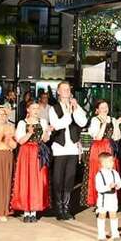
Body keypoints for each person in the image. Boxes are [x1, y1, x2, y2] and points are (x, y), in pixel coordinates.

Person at [48, 81, 88, 220]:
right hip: (60, 148)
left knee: (70, 179)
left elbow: (83, 122)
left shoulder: (76, 106)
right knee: (58, 179)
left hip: (72, 148)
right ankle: (59, 209)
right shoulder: (53, 108)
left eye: (68, 89)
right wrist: (68, 113)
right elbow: (58, 125)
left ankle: (66, 208)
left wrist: (75, 109)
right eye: (63, 89)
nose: (66, 91)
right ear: (58, 92)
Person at [11, 102, 51, 223]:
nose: (36, 110)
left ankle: (34, 211)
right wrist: (29, 132)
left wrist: (47, 131)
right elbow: (20, 141)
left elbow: (45, 139)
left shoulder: (42, 122)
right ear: (28, 109)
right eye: (33, 108)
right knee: (25, 180)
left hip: (38, 152)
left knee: (37, 180)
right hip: (26, 153)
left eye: (37, 108)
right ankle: (26, 211)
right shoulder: (22, 123)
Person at [81, 99, 121, 207]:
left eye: (106, 107)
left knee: (111, 172)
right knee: (98, 172)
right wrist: (104, 124)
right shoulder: (95, 120)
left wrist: (116, 125)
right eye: (102, 107)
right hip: (98, 148)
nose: (105, 109)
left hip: (110, 147)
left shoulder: (112, 119)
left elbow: (116, 137)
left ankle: (111, 200)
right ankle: (97, 200)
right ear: (97, 110)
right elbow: (98, 137)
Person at [95, 152, 121, 241]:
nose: (112, 162)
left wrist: (117, 185)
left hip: (113, 198)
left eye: (112, 161)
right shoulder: (99, 174)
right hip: (103, 199)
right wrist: (108, 187)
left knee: (113, 214)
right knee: (102, 215)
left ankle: (115, 234)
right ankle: (101, 234)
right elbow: (99, 188)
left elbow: (119, 183)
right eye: (110, 161)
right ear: (103, 163)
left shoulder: (115, 172)